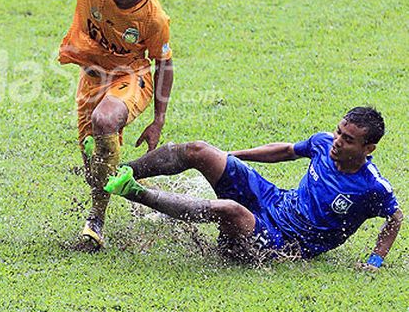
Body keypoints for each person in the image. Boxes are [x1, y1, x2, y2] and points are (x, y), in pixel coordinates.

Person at [27, 0, 174, 249]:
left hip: (131, 77)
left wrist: (158, 120)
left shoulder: (153, 19)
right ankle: (106, 194)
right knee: (95, 167)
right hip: (91, 79)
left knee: (105, 119)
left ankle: (96, 221)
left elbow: (164, 65)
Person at [105, 107, 403, 268]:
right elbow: (285, 150)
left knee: (229, 210)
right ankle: (119, 170)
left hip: (284, 242)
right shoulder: (323, 143)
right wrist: (229, 157)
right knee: (200, 150)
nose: (338, 140)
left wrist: (375, 260)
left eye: (348, 140)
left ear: (368, 147)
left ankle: (134, 192)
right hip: (274, 201)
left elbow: (396, 218)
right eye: (339, 131)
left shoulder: (372, 187)